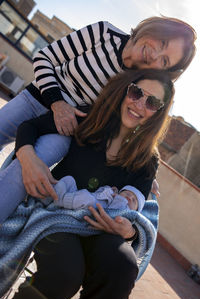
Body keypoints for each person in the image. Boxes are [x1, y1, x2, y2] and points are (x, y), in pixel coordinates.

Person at [0, 68, 175, 299]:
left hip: (103, 229)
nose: (139, 104)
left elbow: (134, 210)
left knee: (123, 268)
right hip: (58, 215)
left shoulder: (148, 159)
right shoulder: (89, 118)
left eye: (153, 102)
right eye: (137, 93)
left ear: (159, 112)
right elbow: (29, 127)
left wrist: (129, 232)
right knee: (65, 273)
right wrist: (27, 158)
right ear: (127, 89)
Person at [0, 16, 196, 199]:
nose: (155, 55)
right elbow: (44, 58)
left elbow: (133, 124)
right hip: (35, 99)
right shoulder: (104, 32)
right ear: (155, 29)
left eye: (164, 61)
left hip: (65, 130)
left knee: (26, 171)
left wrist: (143, 174)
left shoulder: (136, 85)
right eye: (162, 43)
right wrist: (57, 103)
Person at [41, 175, 145, 212]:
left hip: (90, 207)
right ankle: (50, 196)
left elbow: (112, 212)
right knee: (70, 180)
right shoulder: (113, 196)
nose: (129, 197)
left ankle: (58, 200)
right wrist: (108, 190)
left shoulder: (124, 211)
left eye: (134, 200)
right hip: (81, 196)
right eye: (127, 193)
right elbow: (98, 193)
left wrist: (121, 199)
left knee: (86, 198)